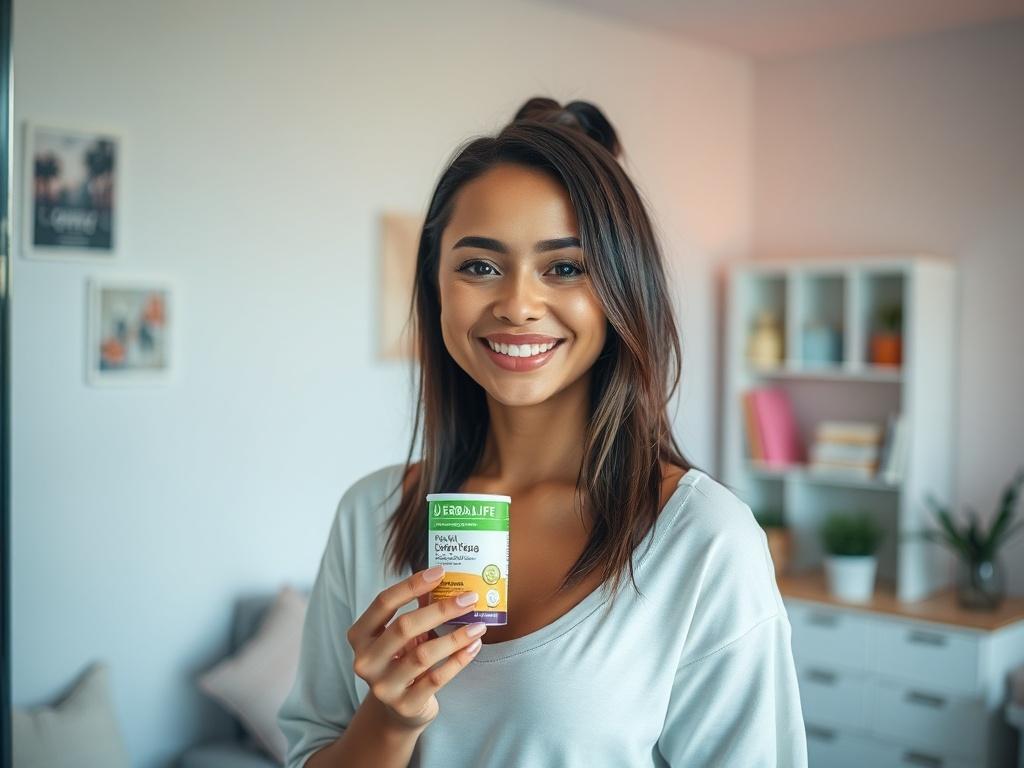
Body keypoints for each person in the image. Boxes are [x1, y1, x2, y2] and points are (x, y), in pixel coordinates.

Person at [277, 96, 808, 768]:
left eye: (564, 267)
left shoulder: (705, 542)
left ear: (622, 288)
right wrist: (387, 721)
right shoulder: (369, 514)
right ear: (436, 284)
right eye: (479, 265)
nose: (518, 304)